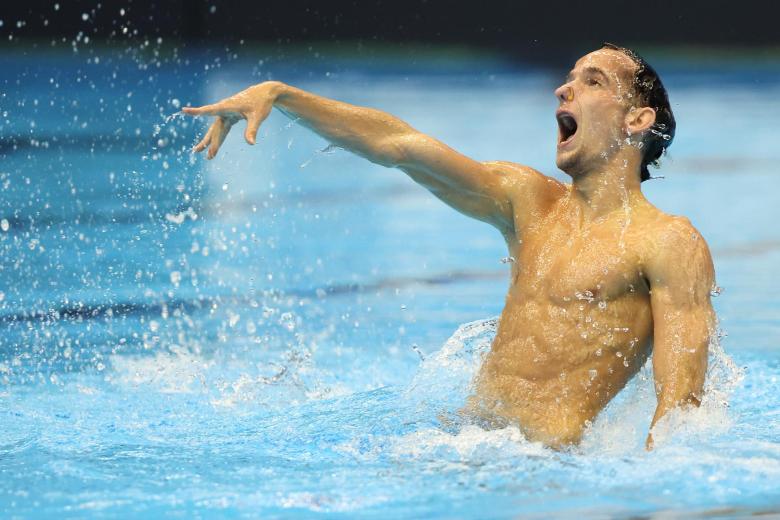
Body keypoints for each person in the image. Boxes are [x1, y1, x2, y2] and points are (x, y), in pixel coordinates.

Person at [182, 44, 716, 450]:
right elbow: (401, 147)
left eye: (591, 81)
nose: (563, 89)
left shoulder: (668, 242)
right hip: (457, 443)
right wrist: (280, 95)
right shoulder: (529, 202)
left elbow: (680, 409)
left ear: (637, 120)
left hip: (546, 472)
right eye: (568, 78)